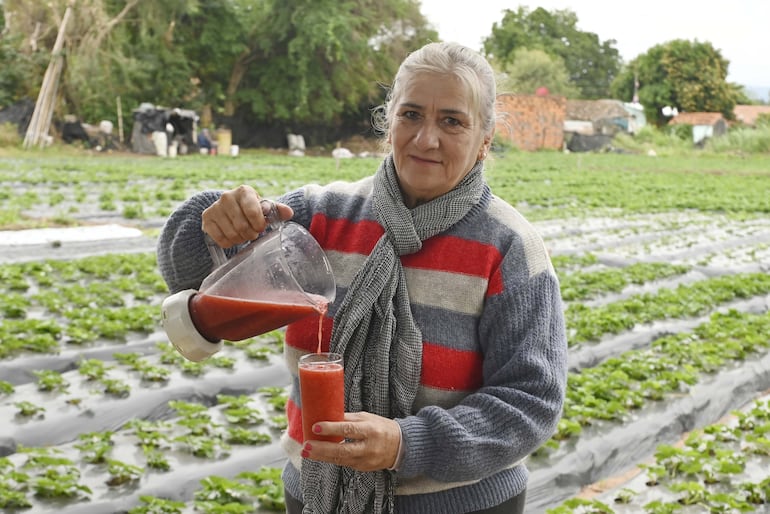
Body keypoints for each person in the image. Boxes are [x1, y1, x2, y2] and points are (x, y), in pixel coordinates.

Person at [157, 41, 567, 514]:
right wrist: (213, 220)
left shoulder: (510, 247)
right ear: (387, 120)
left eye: (452, 121)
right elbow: (191, 273)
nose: (425, 139)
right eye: (411, 114)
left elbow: (531, 399)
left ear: (485, 140)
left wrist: (404, 444)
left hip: (462, 503)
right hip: (319, 491)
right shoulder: (319, 215)